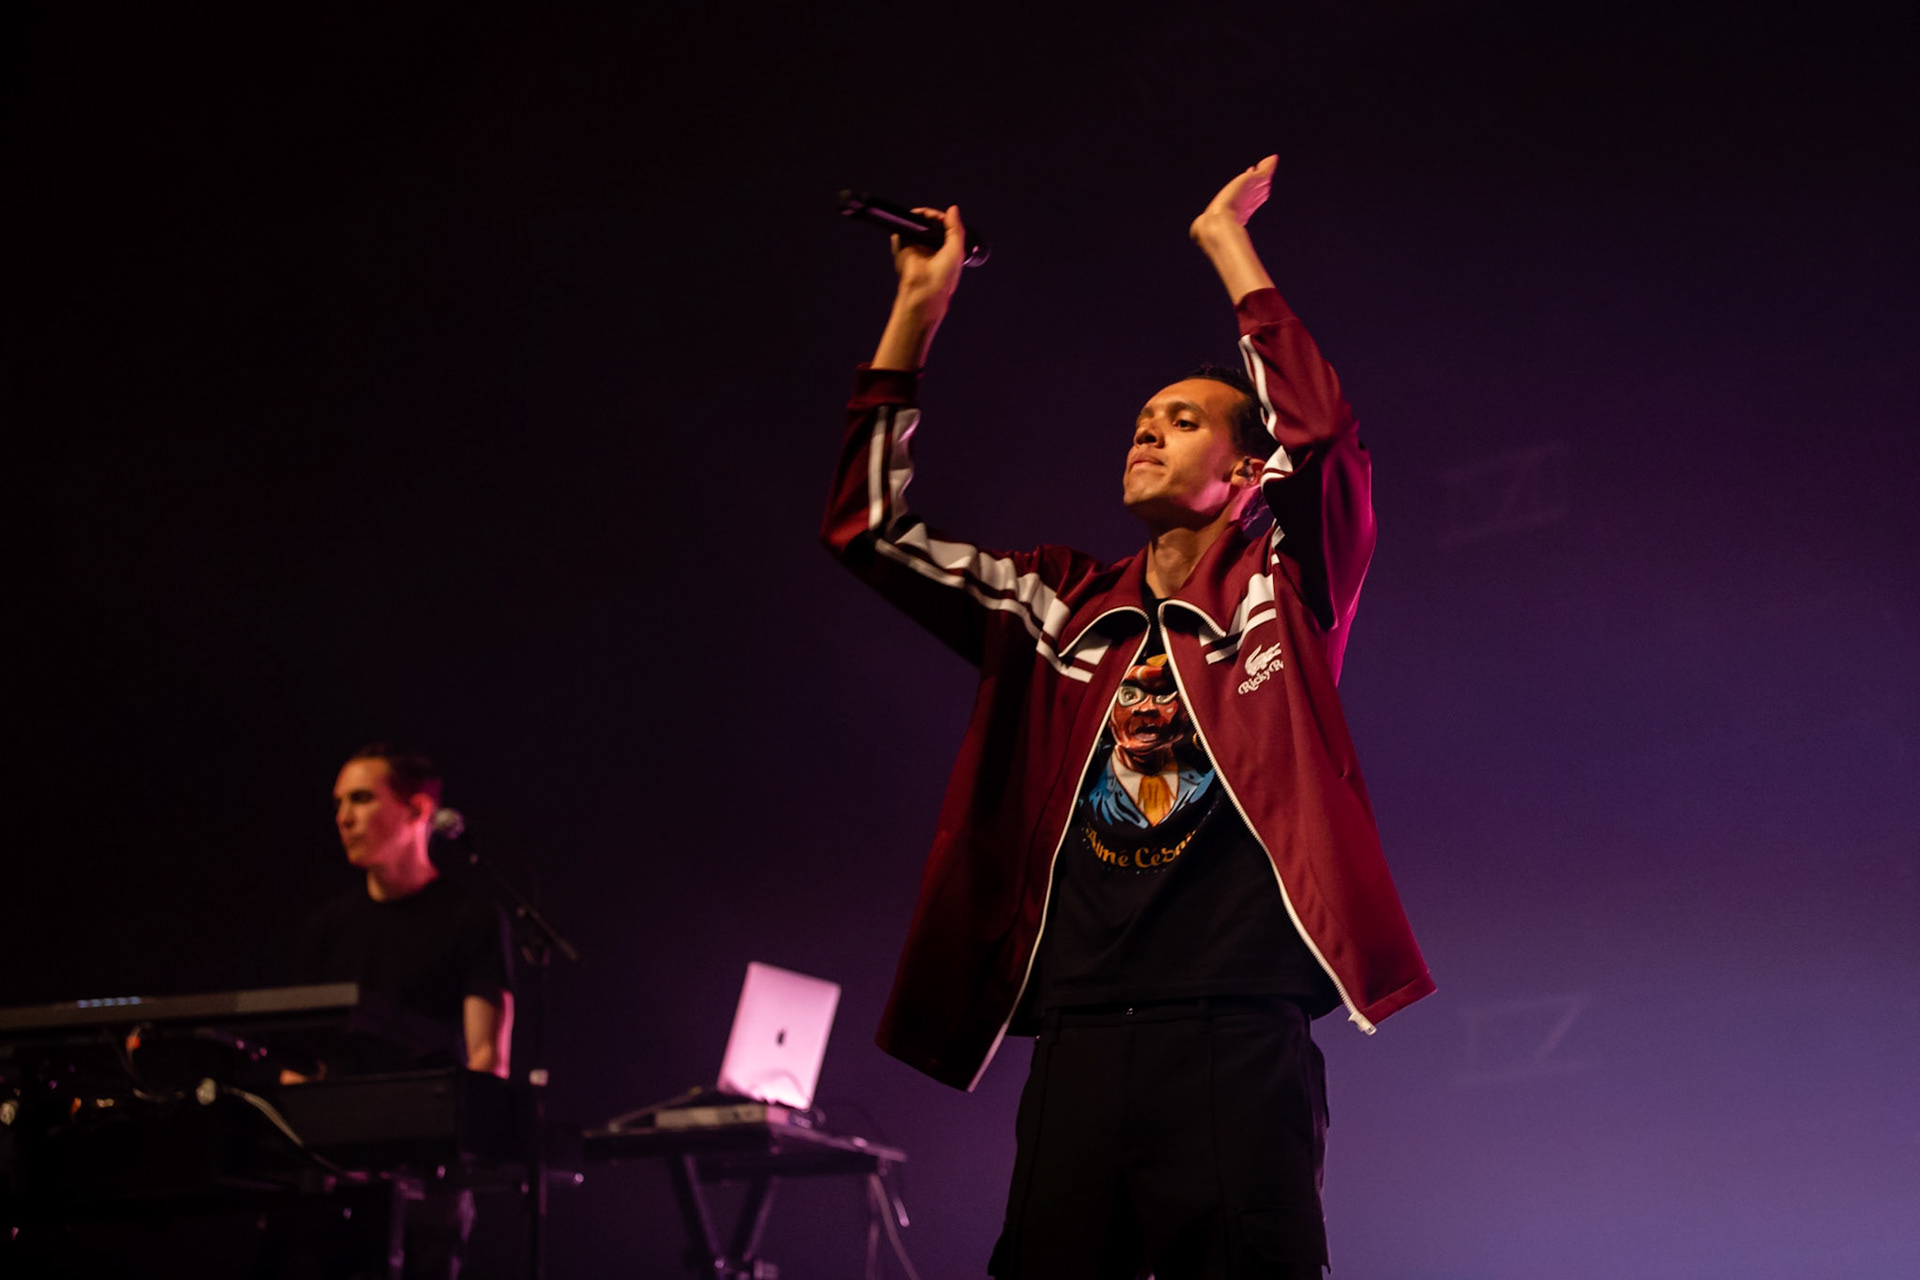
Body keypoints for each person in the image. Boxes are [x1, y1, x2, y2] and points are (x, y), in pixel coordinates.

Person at [821, 156, 1435, 1279]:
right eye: (1144, 418)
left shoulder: (1283, 587)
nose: (1146, 432)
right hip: (1083, 1038)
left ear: (1245, 470)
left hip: (1236, 1028)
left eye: (1184, 419)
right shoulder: (1055, 601)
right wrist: (915, 310)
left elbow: (1327, 436)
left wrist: (1225, 243)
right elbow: (868, 530)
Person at [286, 745, 515, 1280]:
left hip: (426, 1177)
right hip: (330, 1172)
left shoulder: (473, 917)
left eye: (362, 799)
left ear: (417, 811)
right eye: (340, 802)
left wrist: (445, 1157)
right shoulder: (327, 926)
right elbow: (298, 1060)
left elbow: (487, 1056)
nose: (343, 817)